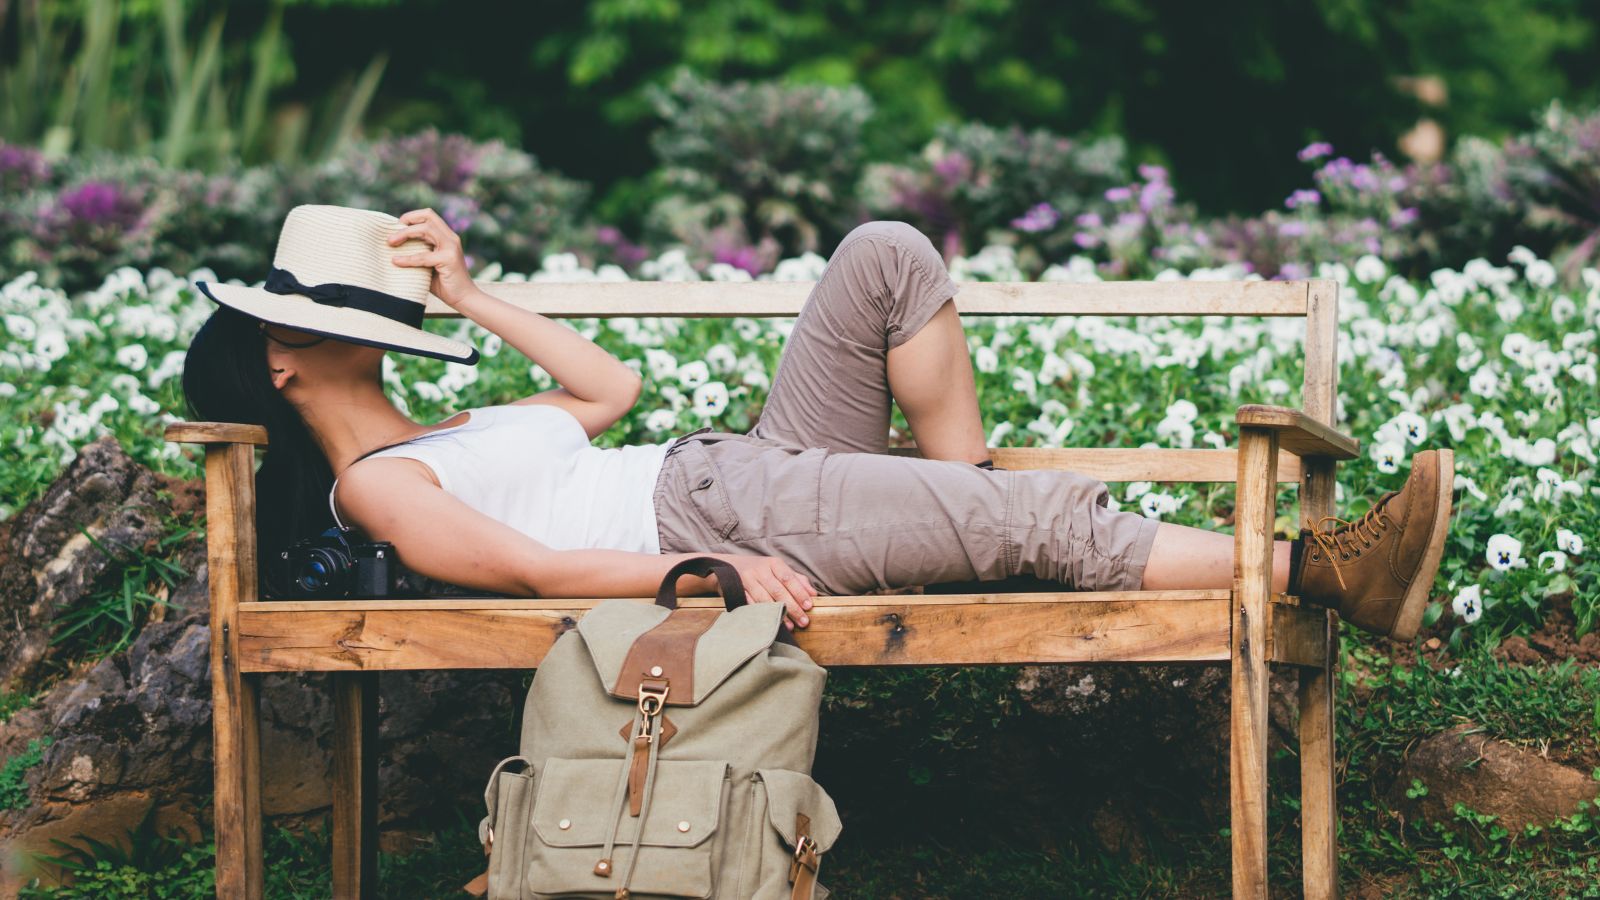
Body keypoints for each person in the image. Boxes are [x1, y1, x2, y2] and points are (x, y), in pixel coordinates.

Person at [182, 205, 1453, 641]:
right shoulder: (380, 490)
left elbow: (605, 395)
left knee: (884, 257)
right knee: (1020, 516)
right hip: (716, 515)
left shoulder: (449, 423)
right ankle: (1322, 571)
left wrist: (466, 293)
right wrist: (699, 568)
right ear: (284, 361)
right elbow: (533, 571)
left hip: (740, 464)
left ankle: (963, 506)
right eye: (338, 308)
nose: (385, 309)